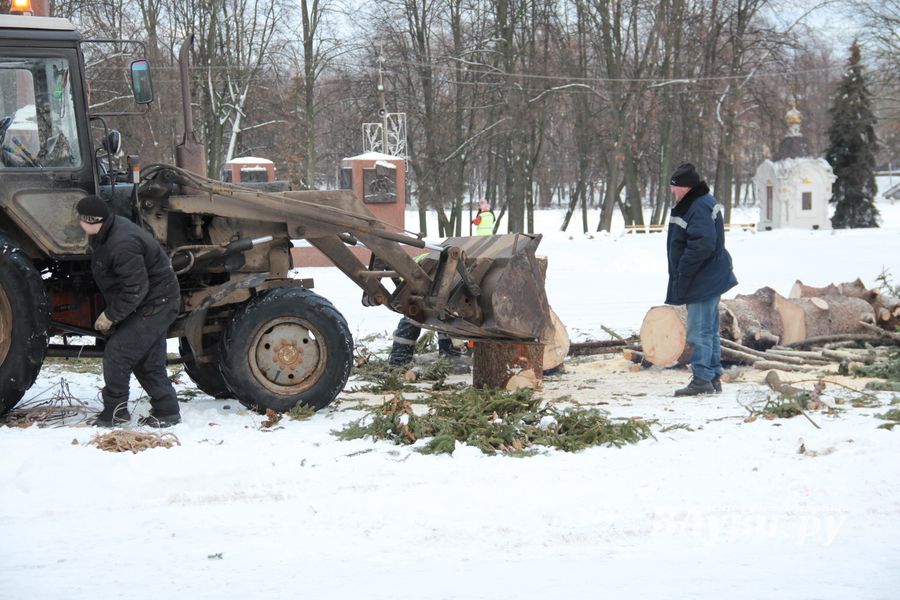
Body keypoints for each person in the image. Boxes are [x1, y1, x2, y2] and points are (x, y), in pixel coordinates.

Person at [76, 195, 183, 427]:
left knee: (118, 352)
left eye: (81, 219)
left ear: (92, 221)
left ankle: (116, 412)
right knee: (148, 361)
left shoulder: (122, 243)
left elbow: (136, 288)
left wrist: (111, 315)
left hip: (157, 303)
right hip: (152, 301)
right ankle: (167, 411)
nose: (79, 223)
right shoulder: (107, 232)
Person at [665, 163, 738, 396]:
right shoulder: (699, 203)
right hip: (707, 276)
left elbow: (702, 244)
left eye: (675, 187)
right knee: (708, 330)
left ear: (686, 187)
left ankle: (702, 380)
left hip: (702, 278)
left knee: (699, 332)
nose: (673, 191)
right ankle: (713, 376)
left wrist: (684, 270)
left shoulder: (697, 206)